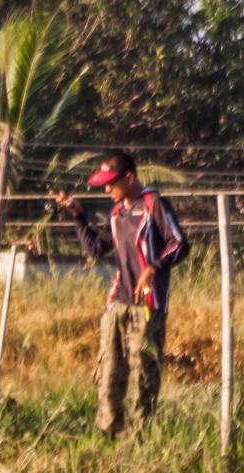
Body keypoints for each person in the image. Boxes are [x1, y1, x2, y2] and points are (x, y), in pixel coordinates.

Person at [55, 151, 189, 435]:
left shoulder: (154, 205)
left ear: (129, 178)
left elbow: (179, 244)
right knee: (109, 372)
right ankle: (108, 432)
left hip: (148, 306)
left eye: (111, 183)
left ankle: (141, 435)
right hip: (118, 303)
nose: (107, 190)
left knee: (144, 374)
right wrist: (78, 216)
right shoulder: (117, 214)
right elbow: (95, 247)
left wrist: (152, 269)